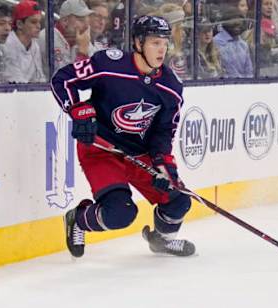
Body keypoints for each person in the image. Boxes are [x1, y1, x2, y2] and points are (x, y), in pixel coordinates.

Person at [51, 15, 195, 258]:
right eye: (154, 43)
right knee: (120, 214)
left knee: (179, 201)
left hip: (139, 154)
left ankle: (160, 241)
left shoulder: (171, 87)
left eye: (164, 43)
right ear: (138, 43)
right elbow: (62, 80)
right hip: (101, 149)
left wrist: (162, 166)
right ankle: (79, 218)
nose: (161, 49)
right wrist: (78, 109)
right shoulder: (109, 64)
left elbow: (163, 132)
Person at [38, 0, 94, 74]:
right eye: (81, 20)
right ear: (65, 21)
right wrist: (82, 54)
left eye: (87, 21)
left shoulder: (85, 43)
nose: (86, 26)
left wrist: (83, 52)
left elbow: (87, 79)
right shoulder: (45, 37)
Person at [4, 0, 46, 83]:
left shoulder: (35, 46)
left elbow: (39, 77)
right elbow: (15, 80)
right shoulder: (7, 44)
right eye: (33, 22)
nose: (38, 26)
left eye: (39, 22)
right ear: (19, 24)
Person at [213, 7, 253, 78]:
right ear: (225, 23)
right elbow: (228, 69)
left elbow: (249, 71)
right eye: (233, 23)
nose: (237, 26)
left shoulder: (243, 45)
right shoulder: (216, 42)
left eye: (239, 23)